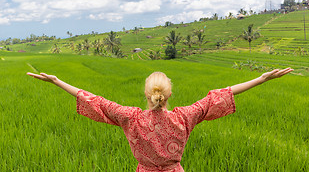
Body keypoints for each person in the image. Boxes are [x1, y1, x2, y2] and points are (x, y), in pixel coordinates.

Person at [27, 68, 293, 172]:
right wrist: (261, 79)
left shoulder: (130, 118)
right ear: (169, 94)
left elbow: (92, 99)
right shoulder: (185, 117)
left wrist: (57, 81)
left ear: (147, 93)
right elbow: (220, 95)